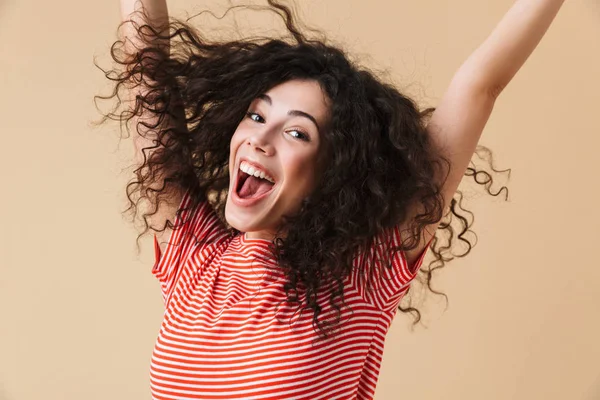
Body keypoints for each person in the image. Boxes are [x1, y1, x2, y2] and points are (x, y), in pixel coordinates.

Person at [94, 0, 565, 398]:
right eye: (257, 117)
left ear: (334, 172)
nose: (261, 139)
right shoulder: (192, 260)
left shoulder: (363, 272)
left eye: (297, 131)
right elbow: (148, 78)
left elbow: (480, 86)